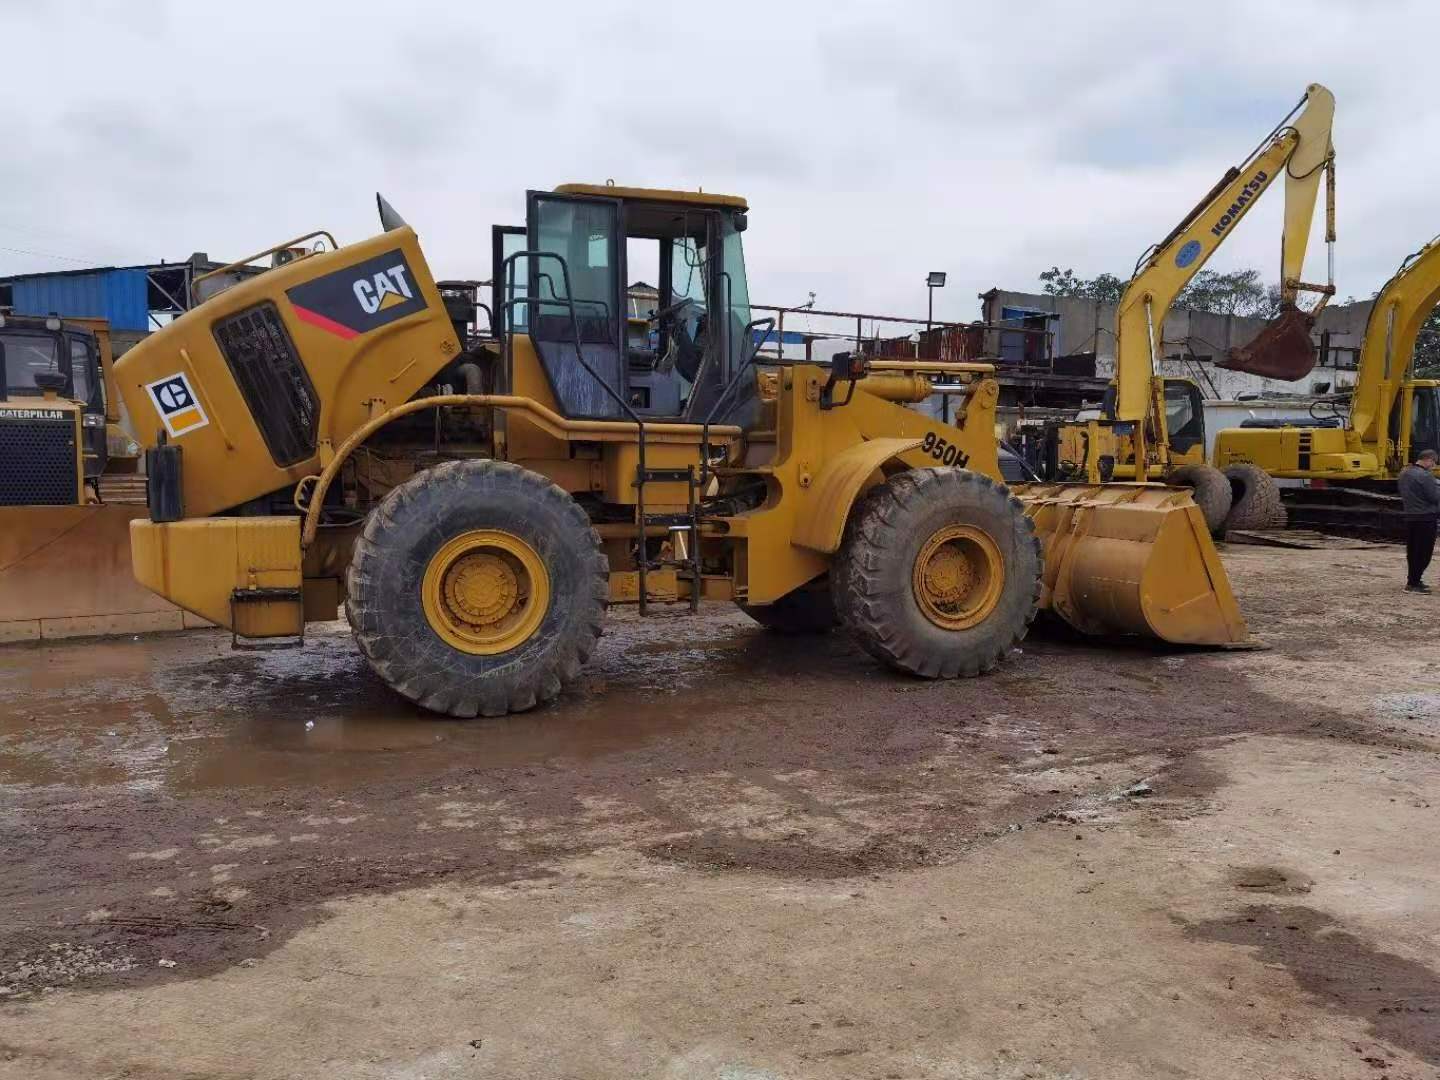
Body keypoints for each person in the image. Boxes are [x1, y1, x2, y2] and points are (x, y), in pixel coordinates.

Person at [1398, 448, 1440, 592]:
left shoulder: (1404, 473)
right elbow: (1434, 497)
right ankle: (1414, 583)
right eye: (1434, 463)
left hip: (1411, 517)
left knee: (1413, 550)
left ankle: (1413, 580)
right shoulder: (1426, 476)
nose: (1433, 466)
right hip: (1426, 518)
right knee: (1424, 552)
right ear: (1429, 459)